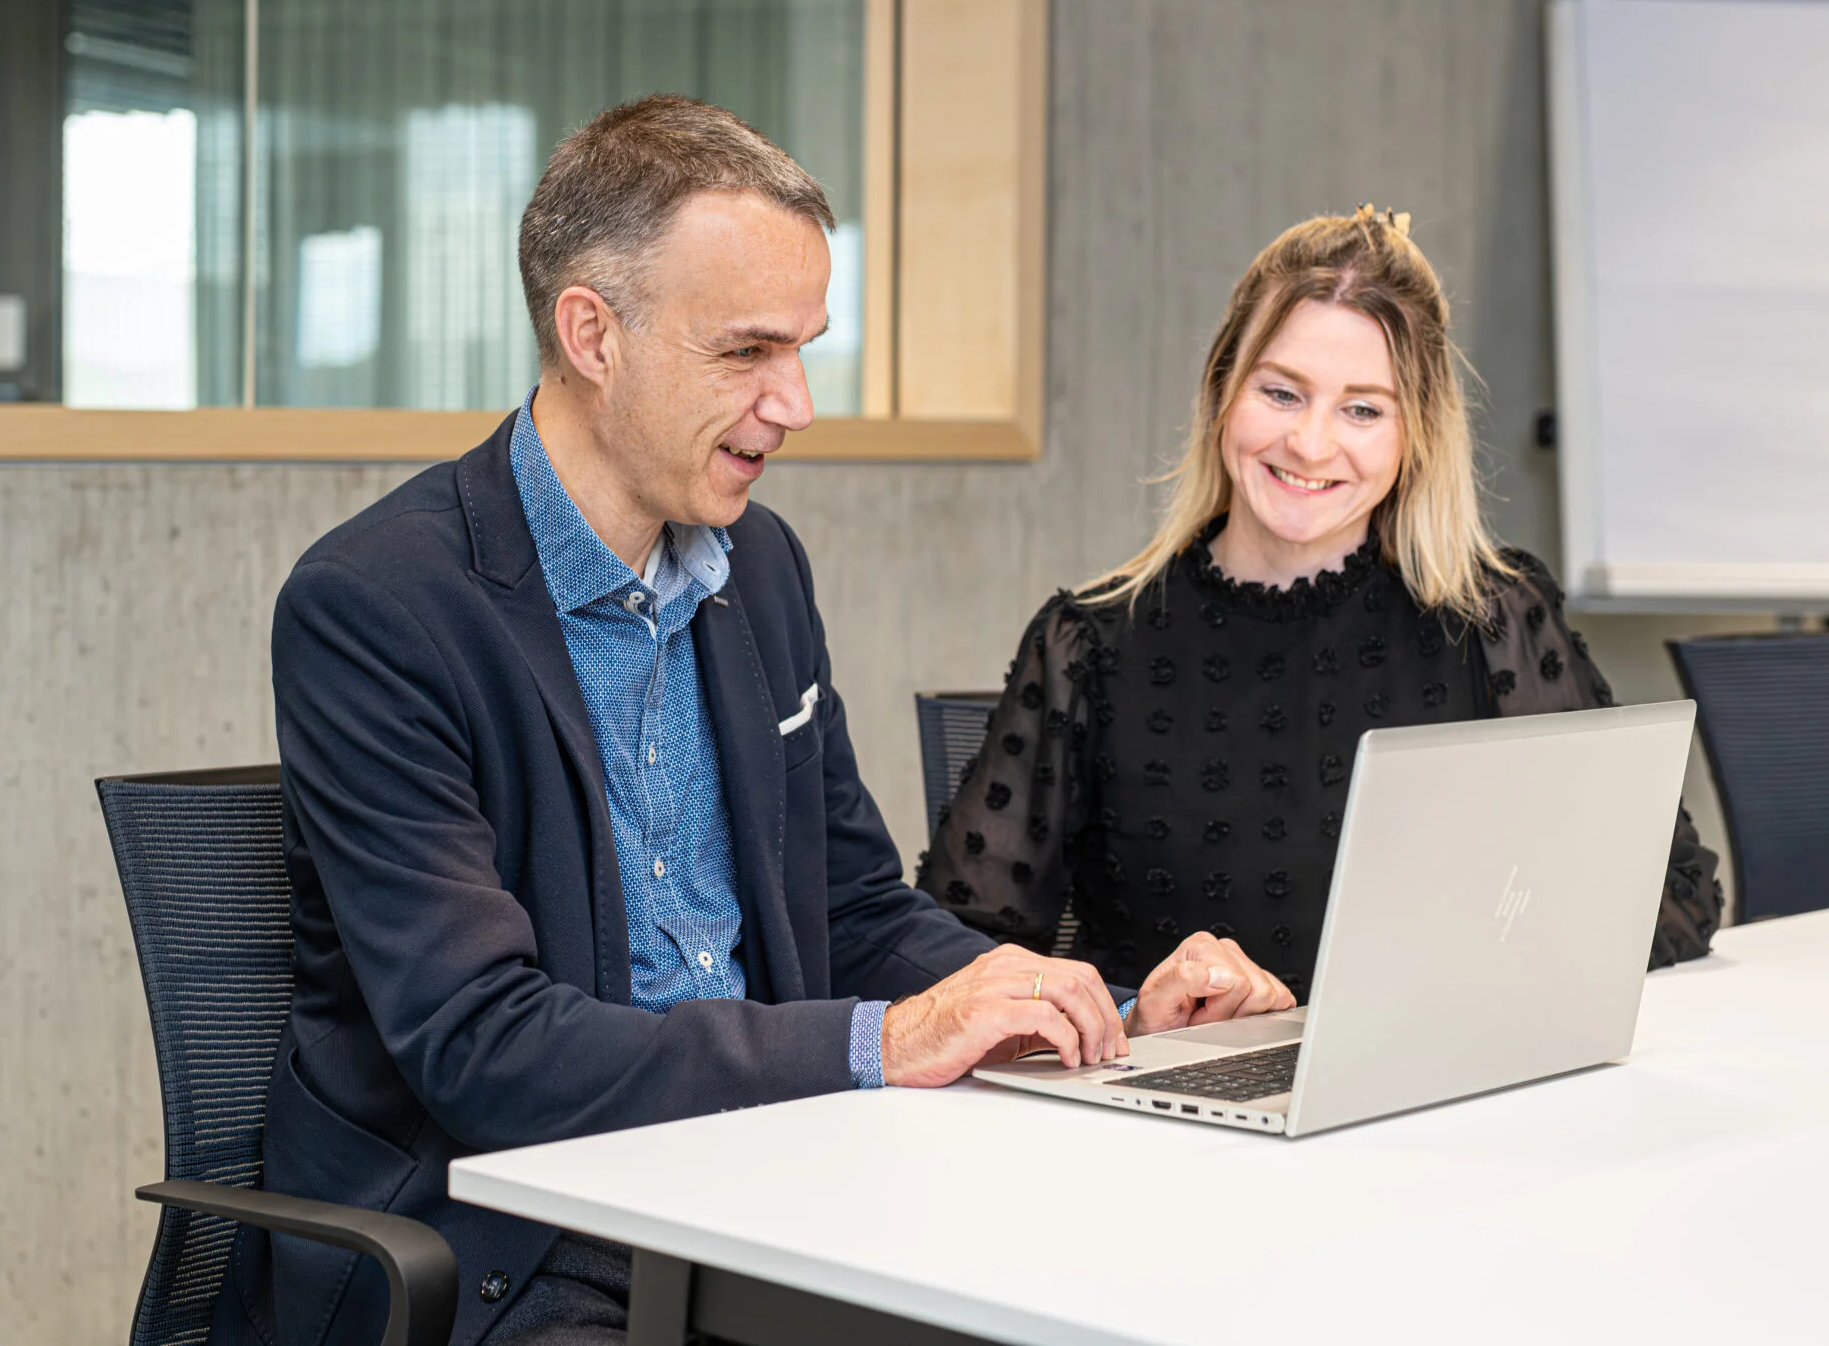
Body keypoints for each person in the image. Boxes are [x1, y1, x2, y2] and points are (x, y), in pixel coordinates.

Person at [220, 96, 1293, 1346]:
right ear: (592, 335)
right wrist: (877, 1045)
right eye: (745, 352)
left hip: (779, 1189)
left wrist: (1089, 1015)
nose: (795, 402)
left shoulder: (758, 568)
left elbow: (849, 909)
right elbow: (481, 1044)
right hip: (519, 1247)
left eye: (805, 348)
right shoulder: (380, 606)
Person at [920, 208, 1722, 998]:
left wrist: (1466, 973)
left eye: (1364, 409)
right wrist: (1129, 1017)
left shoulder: (1492, 620)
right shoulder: (1086, 644)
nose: (1310, 444)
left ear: (1418, 435)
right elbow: (960, 953)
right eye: (1281, 393)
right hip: (1169, 1110)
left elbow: (1674, 895)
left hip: (1427, 1094)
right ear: (1220, 393)